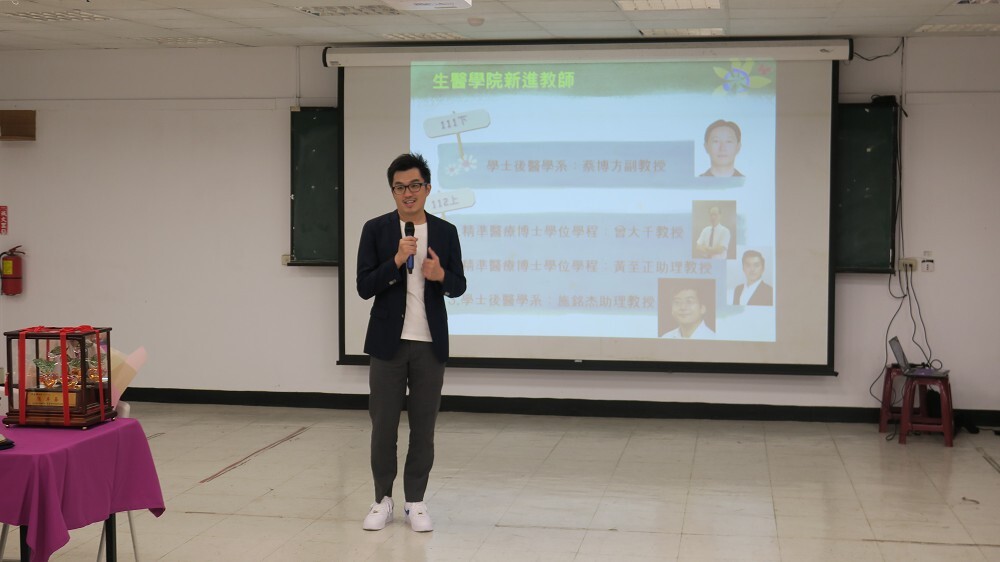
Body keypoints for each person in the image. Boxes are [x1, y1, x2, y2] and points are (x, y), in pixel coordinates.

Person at [356, 153, 466, 533]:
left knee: (423, 428)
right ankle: (382, 500)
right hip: (387, 344)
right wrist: (395, 261)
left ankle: (415, 502)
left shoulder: (446, 232)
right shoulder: (375, 229)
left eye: (415, 185)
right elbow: (363, 286)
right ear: (393, 191)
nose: (408, 193)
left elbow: (459, 285)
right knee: (383, 428)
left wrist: (441, 275)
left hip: (429, 345)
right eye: (400, 187)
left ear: (428, 188)